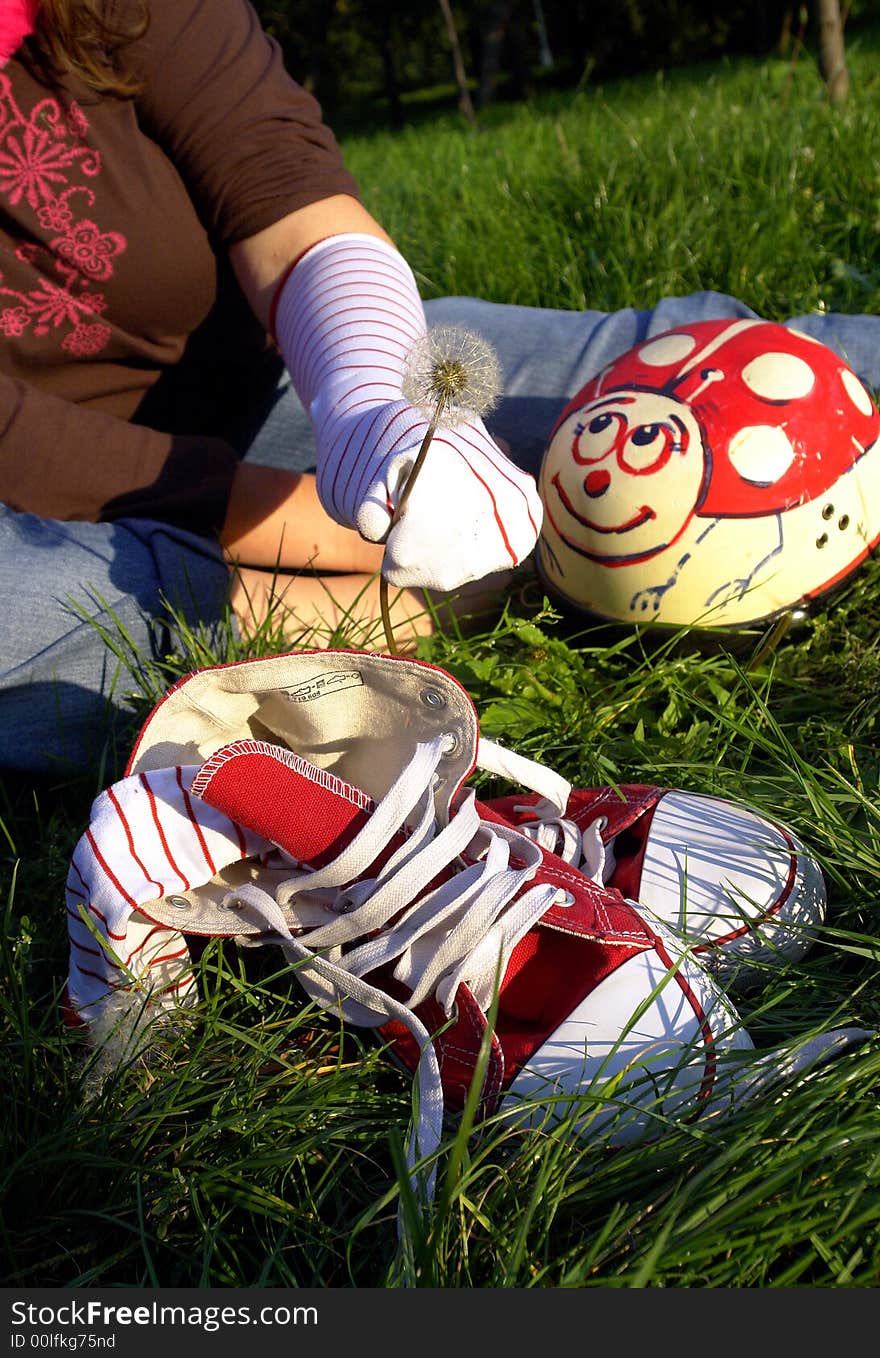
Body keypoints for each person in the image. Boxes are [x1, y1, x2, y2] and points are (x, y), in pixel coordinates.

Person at [2, 0, 880, 778]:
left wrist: (374, 402)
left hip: (277, 377)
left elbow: (281, 186)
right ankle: (402, 617)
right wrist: (308, 528)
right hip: (41, 522)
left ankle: (316, 648)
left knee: (688, 368)